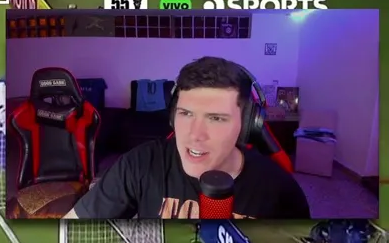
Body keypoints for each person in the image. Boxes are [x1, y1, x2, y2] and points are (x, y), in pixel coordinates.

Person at [66, 57, 310, 220]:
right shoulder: (140, 164)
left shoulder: (279, 191)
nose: (195, 134)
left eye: (216, 118)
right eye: (186, 113)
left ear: (246, 124)